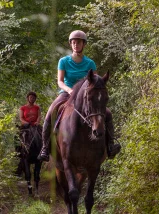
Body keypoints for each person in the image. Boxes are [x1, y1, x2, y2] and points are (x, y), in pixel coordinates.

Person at [37, 30, 121, 162]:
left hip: (86, 96)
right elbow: (60, 81)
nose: (76, 45)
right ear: (71, 44)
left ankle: (110, 145)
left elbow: (95, 82)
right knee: (51, 111)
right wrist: (69, 90)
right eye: (73, 42)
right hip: (67, 93)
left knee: (107, 113)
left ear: (84, 44)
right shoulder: (63, 61)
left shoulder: (90, 63)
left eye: (79, 42)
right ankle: (45, 148)